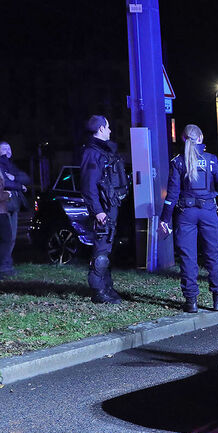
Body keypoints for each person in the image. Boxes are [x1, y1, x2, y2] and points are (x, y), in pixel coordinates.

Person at [158, 125, 218, 313]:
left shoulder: (178, 162)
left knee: (188, 257)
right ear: (201, 138)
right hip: (208, 211)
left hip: (185, 213)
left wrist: (165, 219)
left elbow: (171, 195)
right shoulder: (211, 160)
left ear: (183, 139)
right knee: (213, 254)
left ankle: (191, 302)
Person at [79, 115, 128, 304]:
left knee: (107, 250)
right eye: (107, 127)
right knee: (101, 251)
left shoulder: (104, 152)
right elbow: (88, 186)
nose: (110, 130)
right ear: (100, 129)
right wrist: (98, 211)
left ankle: (107, 287)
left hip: (111, 206)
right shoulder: (92, 153)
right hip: (103, 209)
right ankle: (98, 291)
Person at [0, 141, 30, 278]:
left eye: (9, 148)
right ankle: (4, 265)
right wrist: (18, 185)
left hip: (13, 205)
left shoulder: (12, 166)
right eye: (4, 148)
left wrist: (15, 178)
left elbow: (25, 178)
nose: (7, 151)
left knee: (11, 237)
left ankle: (7, 263)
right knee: (6, 236)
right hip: (4, 204)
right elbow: (5, 182)